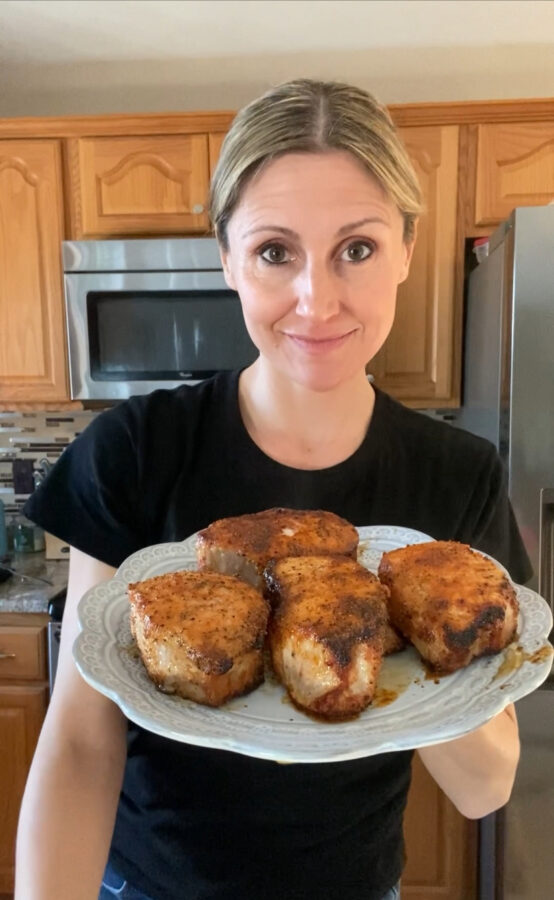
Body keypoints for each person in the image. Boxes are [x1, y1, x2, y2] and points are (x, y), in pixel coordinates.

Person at [16, 79, 531, 900]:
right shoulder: (135, 452)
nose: (315, 300)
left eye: (356, 248)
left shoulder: (455, 476)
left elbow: (486, 787)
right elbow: (82, 741)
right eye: (274, 251)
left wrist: (406, 627)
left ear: (404, 247)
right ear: (228, 258)